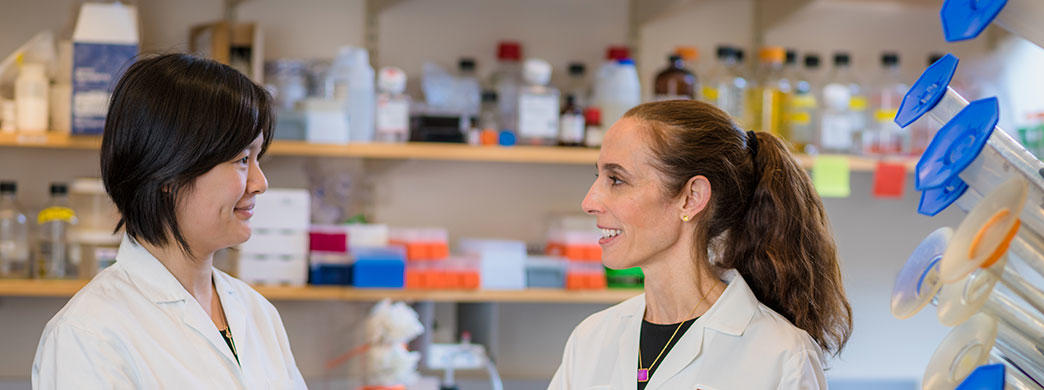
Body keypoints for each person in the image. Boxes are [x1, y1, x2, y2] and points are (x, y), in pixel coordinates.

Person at [32, 54, 306, 388]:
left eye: (257, 158)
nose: (260, 183)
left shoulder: (258, 313)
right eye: (242, 160)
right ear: (169, 173)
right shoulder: (90, 336)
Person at [549, 100, 852, 389]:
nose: (589, 202)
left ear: (691, 197)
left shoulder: (782, 356)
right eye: (598, 176)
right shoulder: (591, 339)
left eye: (616, 179)